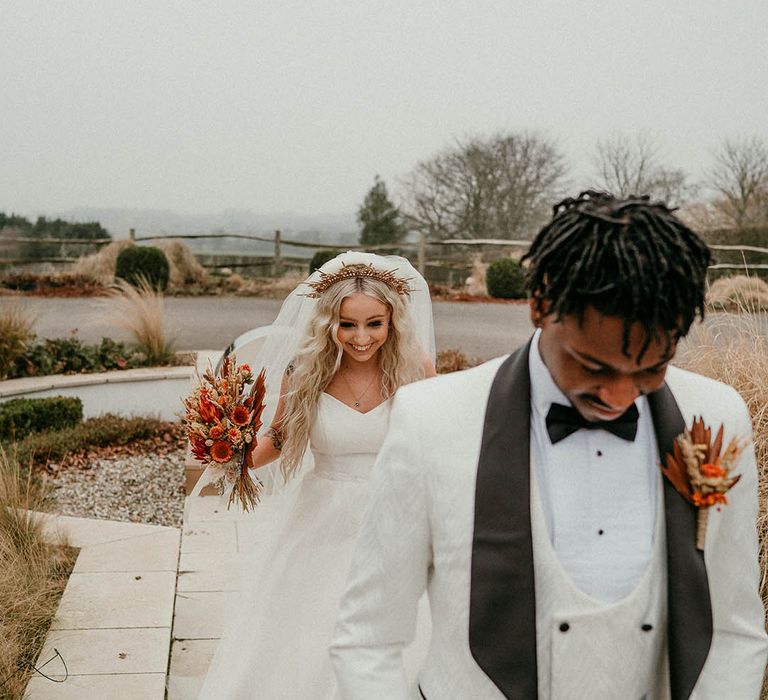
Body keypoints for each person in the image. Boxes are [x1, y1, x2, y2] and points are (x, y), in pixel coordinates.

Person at [330, 192, 768, 699]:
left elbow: (734, 630)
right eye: (594, 366)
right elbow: (368, 637)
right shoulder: (430, 419)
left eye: (650, 369)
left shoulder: (716, 417)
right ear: (540, 305)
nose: (621, 396)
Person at [197, 251, 436, 700]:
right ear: (329, 322)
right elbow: (281, 441)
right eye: (347, 324)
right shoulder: (305, 371)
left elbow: (435, 443)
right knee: (310, 629)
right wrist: (230, 451)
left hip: (394, 517)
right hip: (321, 519)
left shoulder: (415, 369)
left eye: (374, 324)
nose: (361, 337)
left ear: (392, 322)